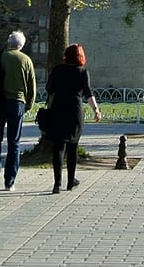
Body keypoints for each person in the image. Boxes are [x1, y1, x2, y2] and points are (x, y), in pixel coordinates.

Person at [0, 30, 36, 191]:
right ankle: (9, 182)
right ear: (21, 45)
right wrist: (28, 105)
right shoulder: (26, 60)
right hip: (17, 103)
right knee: (14, 142)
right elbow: (32, 87)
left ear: (9, 43)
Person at [44, 42, 101, 193]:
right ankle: (70, 181)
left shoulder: (57, 70)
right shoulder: (82, 72)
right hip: (74, 112)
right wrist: (96, 110)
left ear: (66, 56)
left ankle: (57, 183)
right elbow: (88, 93)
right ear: (81, 56)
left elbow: (49, 89)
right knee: (72, 146)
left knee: (58, 147)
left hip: (58, 110)